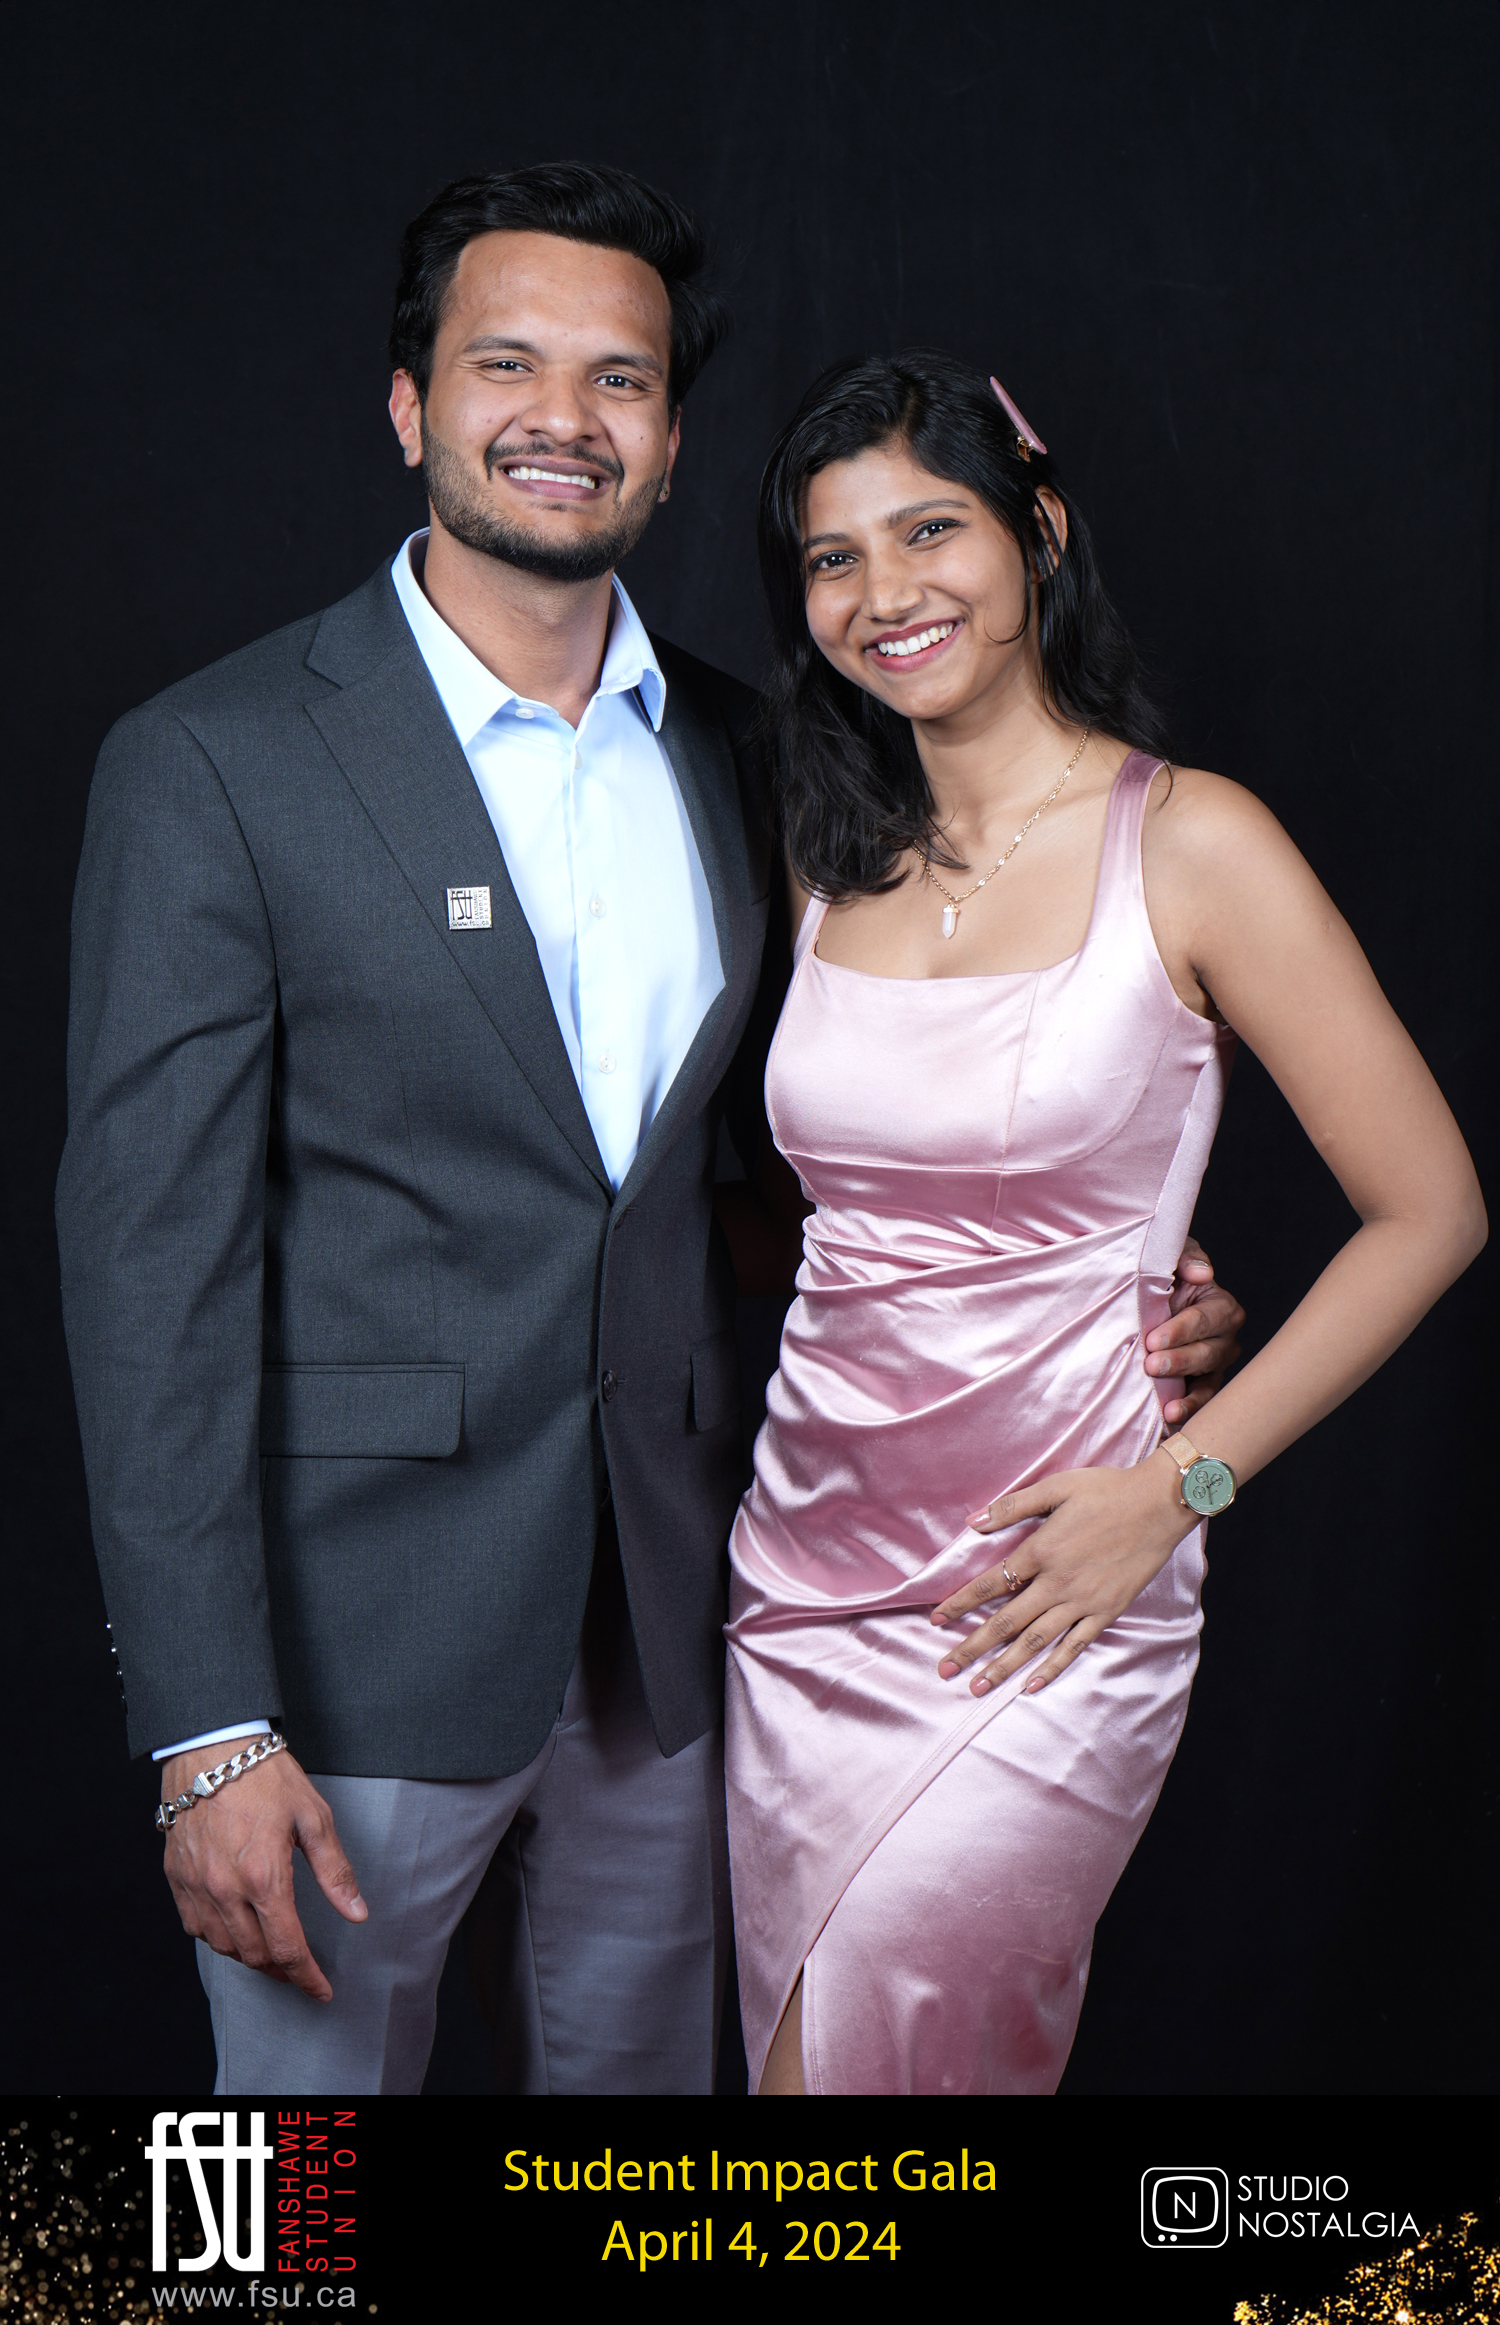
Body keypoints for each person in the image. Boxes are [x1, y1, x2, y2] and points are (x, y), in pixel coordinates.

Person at [54, 169, 1245, 2099]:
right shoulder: (215, 762)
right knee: (286, 2212)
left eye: (618, 378)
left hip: (698, 1639)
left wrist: (1107, 1284)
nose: (564, 416)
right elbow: (145, 1276)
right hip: (347, 1663)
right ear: (407, 405)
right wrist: (206, 1728)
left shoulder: (761, 754)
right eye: (505, 364)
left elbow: (808, 1169)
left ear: (674, 440)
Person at [722, 350, 1485, 2098]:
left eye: (931, 529)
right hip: (803, 1575)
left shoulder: (1195, 842)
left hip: (1056, 1584)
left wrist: (1178, 1487)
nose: (884, 590)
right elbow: (839, 1214)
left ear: (1040, 529)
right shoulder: (823, 849)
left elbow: (1430, 1209)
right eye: (834, 556)